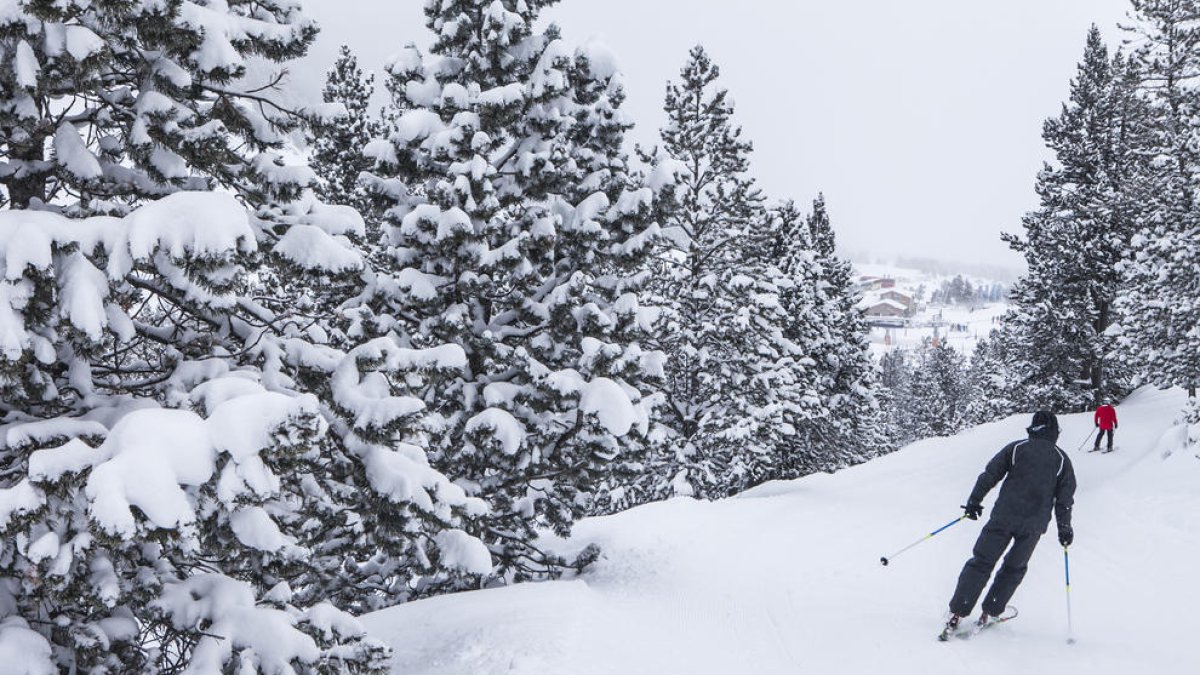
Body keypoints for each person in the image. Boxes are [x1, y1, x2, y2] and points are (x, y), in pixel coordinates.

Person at [941, 411, 1076, 638]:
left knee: (981, 562)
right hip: (1033, 526)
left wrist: (974, 501)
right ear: (1054, 432)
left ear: (1033, 428)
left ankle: (958, 612)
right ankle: (990, 611)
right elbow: (1065, 499)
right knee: (1013, 568)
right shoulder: (1061, 459)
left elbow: (989, 474)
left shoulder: (1016, 448)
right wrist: (1065, 527)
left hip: (1003, 517)